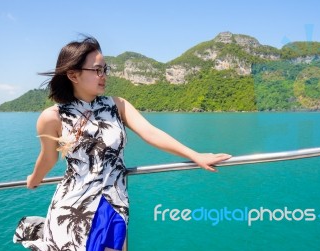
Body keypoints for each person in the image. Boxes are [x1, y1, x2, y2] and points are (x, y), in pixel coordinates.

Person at [13, 36, 231, 251]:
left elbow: (150, 133)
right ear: (73, 74)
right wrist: (34, 179)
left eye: (105, 69)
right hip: (73, 207)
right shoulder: (53, 117)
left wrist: (196, 155)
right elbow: (48, 157)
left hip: (114, 202)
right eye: (97, 70)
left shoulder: (116, 106)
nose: (103, 76)